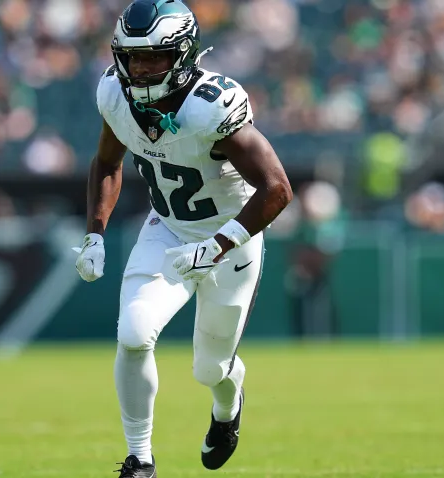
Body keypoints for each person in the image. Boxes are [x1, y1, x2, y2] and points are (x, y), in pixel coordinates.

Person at [72, 1, 293, 476]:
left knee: (209, 369)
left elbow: (277, 188)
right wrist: (94, 234)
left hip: (230, 238)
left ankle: (227, 408)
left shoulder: (210, 107)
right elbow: (108, 163)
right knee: (132, 335)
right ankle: (140, 459)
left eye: (154, 56)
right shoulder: (115, 94)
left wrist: (217, 245)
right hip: (168, 228)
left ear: (185, 53)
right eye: (132, 57)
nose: (141, 68)